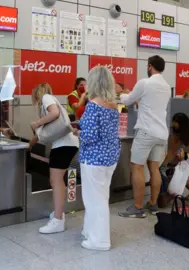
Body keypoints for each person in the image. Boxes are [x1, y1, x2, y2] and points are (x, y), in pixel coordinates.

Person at [73, 66, 120, 251]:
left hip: (94, 158)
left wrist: (77, 131)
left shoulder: (94, 104)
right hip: (110, 156)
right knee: (100, 196)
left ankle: (99, 241)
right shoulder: (112, 104)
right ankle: (89, 231)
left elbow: (90, 135)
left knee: (95, 199)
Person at [118, 55, 171, 218]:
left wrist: (121, 93)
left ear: (149, 67)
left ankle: (137, 207)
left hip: (147, 131)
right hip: (162, 133)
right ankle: (153, 204)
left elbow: (127, 101)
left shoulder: (145, 83)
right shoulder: (167, 86)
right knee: (154, 168)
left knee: (137, 166)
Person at [29, 83, 79, 234]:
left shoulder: (46, 97)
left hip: (63, 145)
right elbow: (42, 134)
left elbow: (55, 113)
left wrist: (37, 123)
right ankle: (59, 213)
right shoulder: (50, 101)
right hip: (66, 144)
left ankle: (58, 220)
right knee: (56, 180)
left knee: (56, 180)